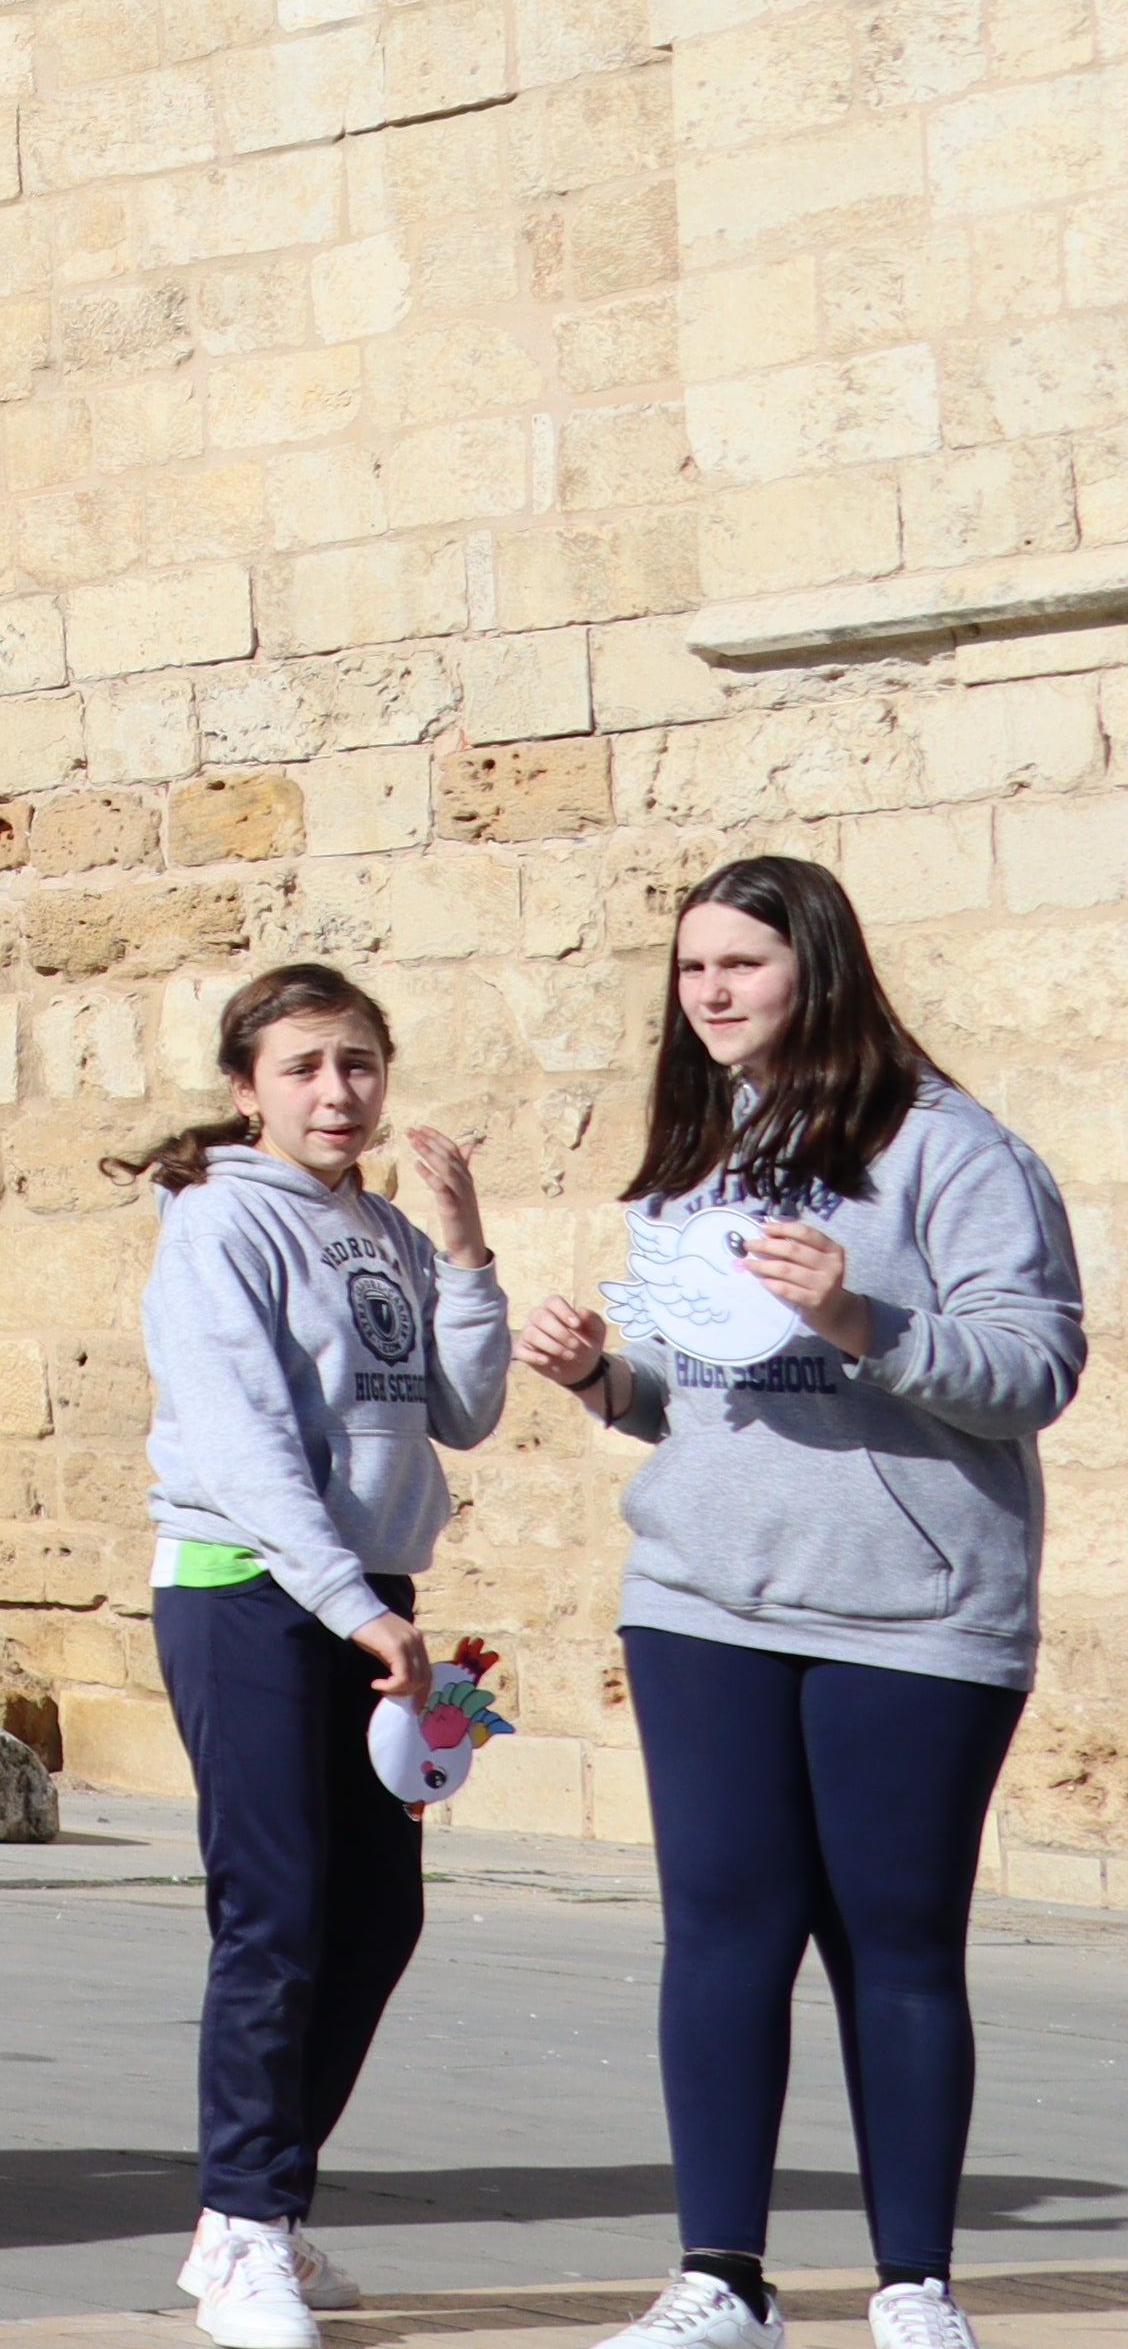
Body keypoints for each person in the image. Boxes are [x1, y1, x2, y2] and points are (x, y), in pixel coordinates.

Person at [519, 857, 1087, 2349]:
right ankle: (722, 2278)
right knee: (720, 1929)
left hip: (909, 1611)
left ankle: (914, 2286)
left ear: (817, 968)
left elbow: (1035, 1367)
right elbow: (679, 1393)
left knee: (897, 1939)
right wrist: (598, 1372)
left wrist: (858, 1315)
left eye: (743, 964)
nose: (711, 991)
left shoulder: (956, 1151)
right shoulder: (706, 1154)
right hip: (703, 1597)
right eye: (693, 967)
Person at [120, 965, 506, 2349]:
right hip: (248, 1593)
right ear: (246, 1090)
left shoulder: (386, 1230)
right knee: (275, 1910)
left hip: (369, 1600)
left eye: (357, 1064)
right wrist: (352, 1604)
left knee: (378, 1915)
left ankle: (259, 2212)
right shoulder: (218, 1222)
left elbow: (460, 1409)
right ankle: (241, 2221)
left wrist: (463, 1251)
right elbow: (239, 1445)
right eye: (302, 1068)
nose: (336, 1092)